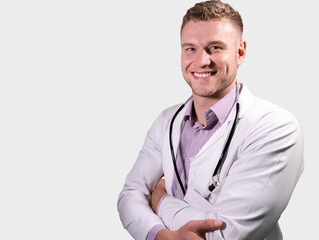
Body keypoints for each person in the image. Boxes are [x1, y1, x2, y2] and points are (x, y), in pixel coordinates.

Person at [117, 0, 304, 239]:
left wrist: (160, 199)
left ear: (240, 52)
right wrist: (162, 236)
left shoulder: (276, 128)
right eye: (190, 48)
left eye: (215, 48)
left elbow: (225, 233)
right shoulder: (167, 121)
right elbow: (130, 195)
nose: (202, 61)